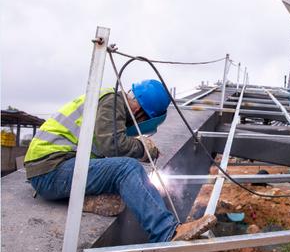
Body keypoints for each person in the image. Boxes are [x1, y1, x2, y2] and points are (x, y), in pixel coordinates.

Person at [24, 79, 216, 243]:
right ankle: (167, 232)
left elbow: (105, 153)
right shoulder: (113, 101)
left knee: (121, 181)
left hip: (55, 171)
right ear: (141, 113)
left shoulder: (108, 103)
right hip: (53, 169)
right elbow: (112, 144)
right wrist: (142, 148)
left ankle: (83, 200)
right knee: (127, 168)